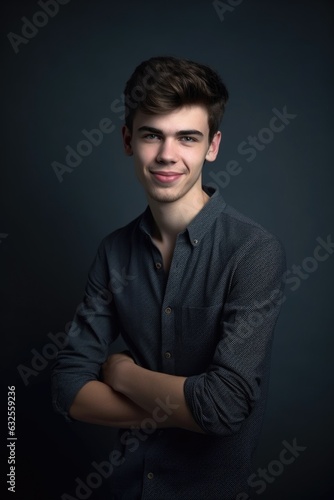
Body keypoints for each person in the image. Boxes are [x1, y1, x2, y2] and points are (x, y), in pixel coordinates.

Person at [52, 56, 286, 499]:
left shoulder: (254, 251)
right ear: (128, 140)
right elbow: (68, 388)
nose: (166, 155)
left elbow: (224, 406)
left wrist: (120, 373)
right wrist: (182, 410)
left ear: (212, 146)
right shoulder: (114, 252)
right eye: (151, 135)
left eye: (187, 138)